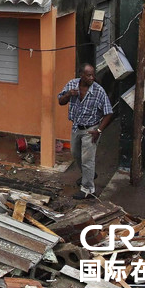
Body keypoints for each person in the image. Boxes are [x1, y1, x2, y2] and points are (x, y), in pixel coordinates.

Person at [58, 63, 114, 199]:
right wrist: (69, 95)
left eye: (93, 75)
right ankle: (89, 174)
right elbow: (60, 101)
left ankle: (88, 189)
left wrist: (99, 130)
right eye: (88, 75)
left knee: (87, 159)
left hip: (91, 129)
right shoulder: (72, 84)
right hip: (77, 127)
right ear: (81, 75)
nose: (92, 78)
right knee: (75, 153)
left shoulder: (98, 91)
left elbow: (109, 112)